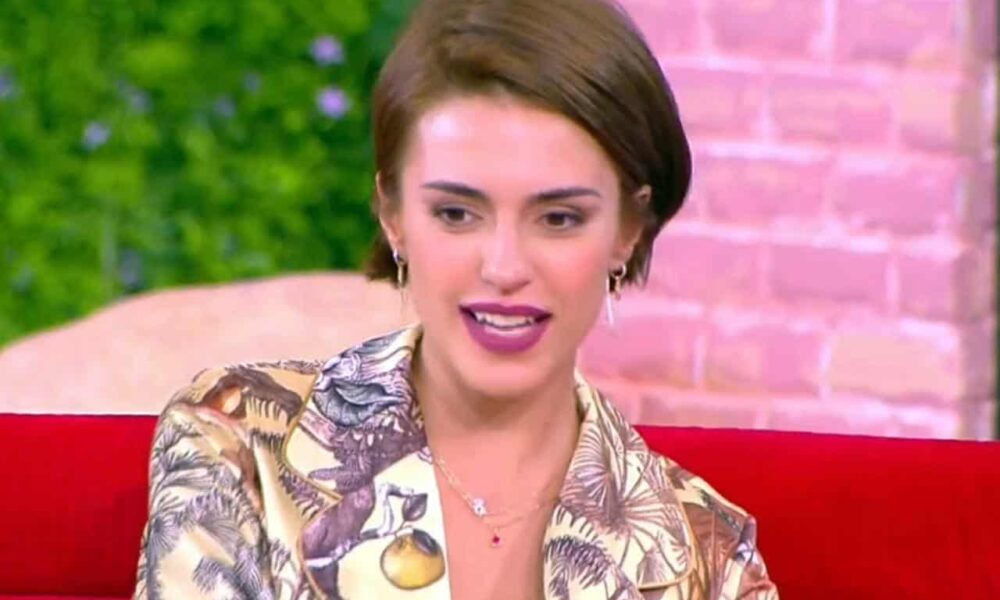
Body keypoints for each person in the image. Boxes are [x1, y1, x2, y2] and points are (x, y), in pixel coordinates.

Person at [132, 0, 780, 598]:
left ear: (627, 232)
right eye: (456, 213)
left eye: (558, 219)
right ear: (392, 216)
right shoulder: (236, 440)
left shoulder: (709, 553)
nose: (504, 268)